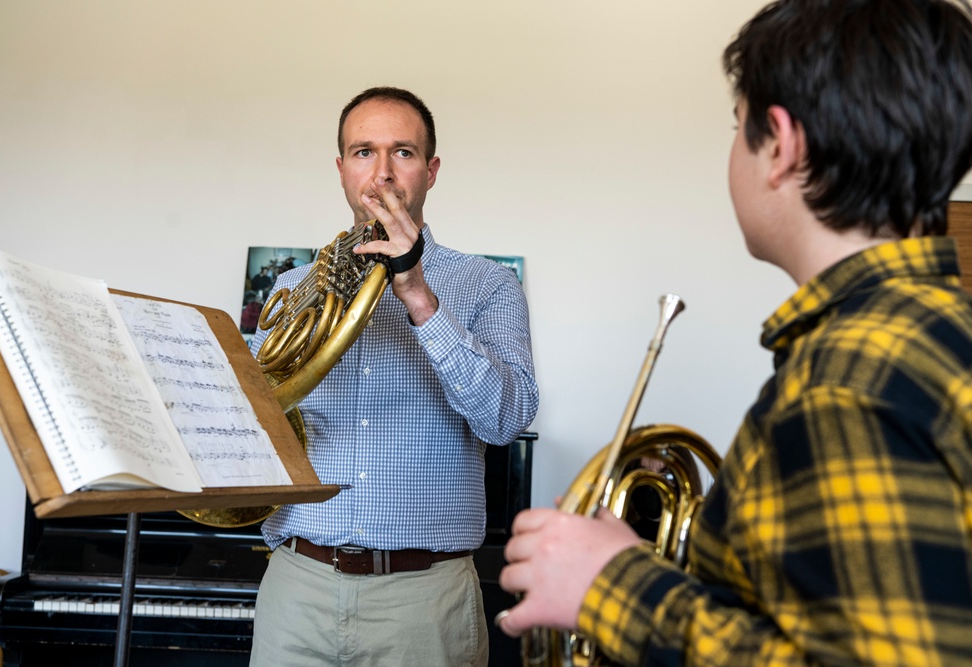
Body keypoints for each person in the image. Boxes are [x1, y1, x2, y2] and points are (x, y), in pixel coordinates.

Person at [497, 0, 972, 664]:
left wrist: (613, 583)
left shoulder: (850, 378)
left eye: (737, 125)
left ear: (780, 144)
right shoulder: (937, 328)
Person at [248, 87, 539, 666]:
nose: (381, 174)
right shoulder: (289, 289)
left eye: (402, 153)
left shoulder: (488, 286)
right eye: (363, 152)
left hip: (423, 600)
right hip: (296, 588)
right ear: (340, 169)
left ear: (430, 172)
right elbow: (256, 426)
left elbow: (507, 419)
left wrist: (418, 296)